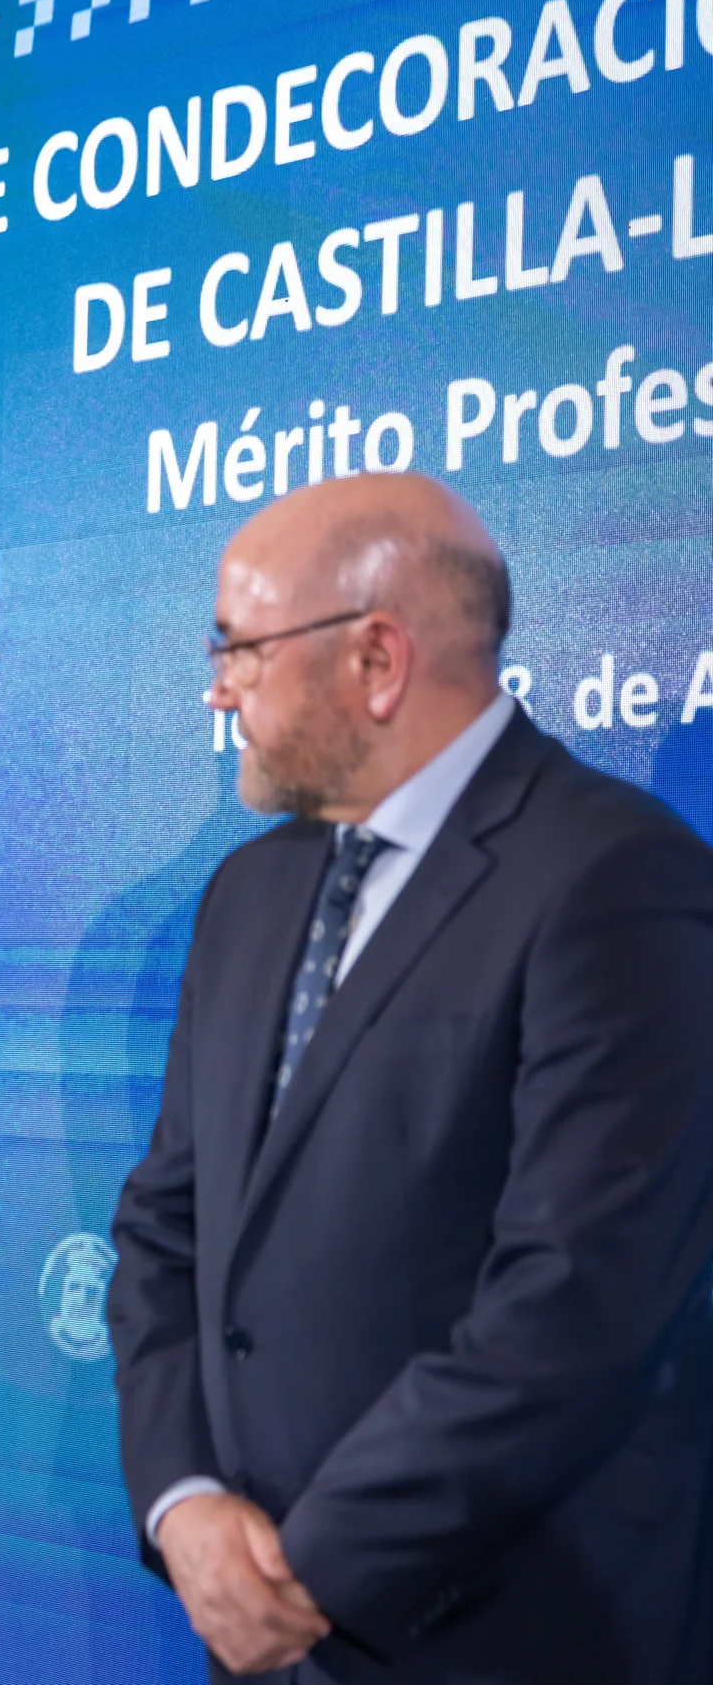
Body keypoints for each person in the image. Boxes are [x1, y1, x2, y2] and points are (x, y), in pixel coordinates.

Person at [108, 472, 713, 1683]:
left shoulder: (614, 877)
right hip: (260, 1635)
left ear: (376, 661)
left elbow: (577, 1307)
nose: (216, 689)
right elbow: (168, 1229)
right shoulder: (246, 895)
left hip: (502, 1632)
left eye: (239, 649)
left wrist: (305, 1574)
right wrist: (183, 1507)